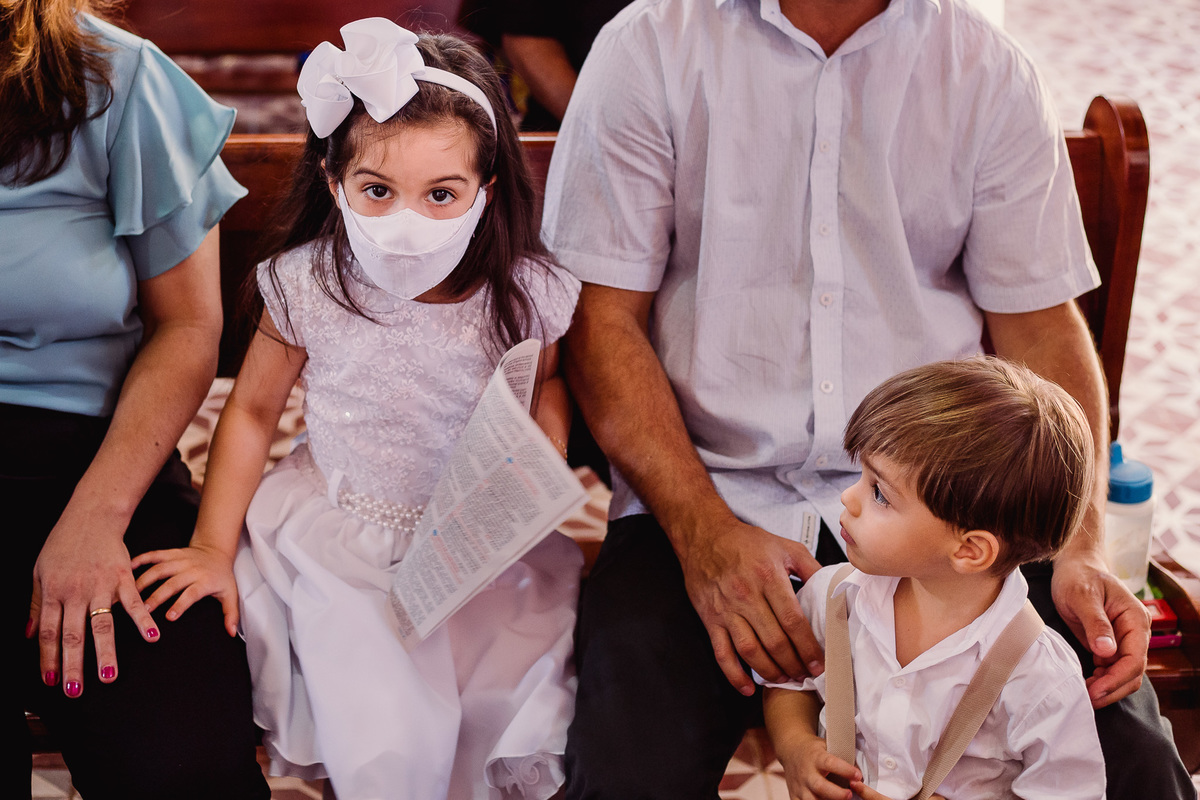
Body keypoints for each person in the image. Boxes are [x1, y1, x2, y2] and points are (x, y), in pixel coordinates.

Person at [540, 0, 1191, 797]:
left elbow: (1043, 333)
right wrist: (705, 535)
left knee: (1137, 765)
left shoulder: (984, 66)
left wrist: (1082, 545)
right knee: (624, 770)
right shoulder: (648, 47)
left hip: (950, 505)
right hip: (704, 496)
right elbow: (603, 322)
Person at [133, 18, 583, 799]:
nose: (406, 221)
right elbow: (249, 414)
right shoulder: (310, 283)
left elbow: (542, 382)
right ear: (335, 182)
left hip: (474, 547)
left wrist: (539, 452)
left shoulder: (524, 292)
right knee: (385, 747)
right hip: (340, 540)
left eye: (442, 194)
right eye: (378, 191)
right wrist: (212, 545)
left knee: (486, 722)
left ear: (487, 191)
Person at [0, 1, 270, 797]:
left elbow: (187, 327)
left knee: (179, 762)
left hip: (96, 458)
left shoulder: (116, 77)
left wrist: (94, 518)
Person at [762, 358, 1104, 800]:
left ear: (969, 550)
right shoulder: (834, 596)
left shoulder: (1039, 678)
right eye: (862, 476)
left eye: (880, 493)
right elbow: (790, 681)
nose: (847, 497)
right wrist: (795, 748)